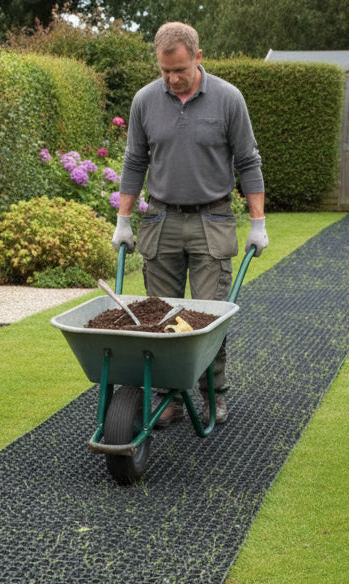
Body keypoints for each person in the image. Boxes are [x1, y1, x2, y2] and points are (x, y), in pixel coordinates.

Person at [112, 21, 267, 425]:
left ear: (198, 57)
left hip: (211, 219)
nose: (172, 78)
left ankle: (212, 393)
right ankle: (169, 399)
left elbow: (248, 162)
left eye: (180, 69)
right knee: (158, 315)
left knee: (208, 316)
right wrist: (123, 219)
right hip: (160, 218)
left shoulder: (228, 99)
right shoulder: (145, 100)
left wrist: (257, 222)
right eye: (165, 71)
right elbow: (134, 162)